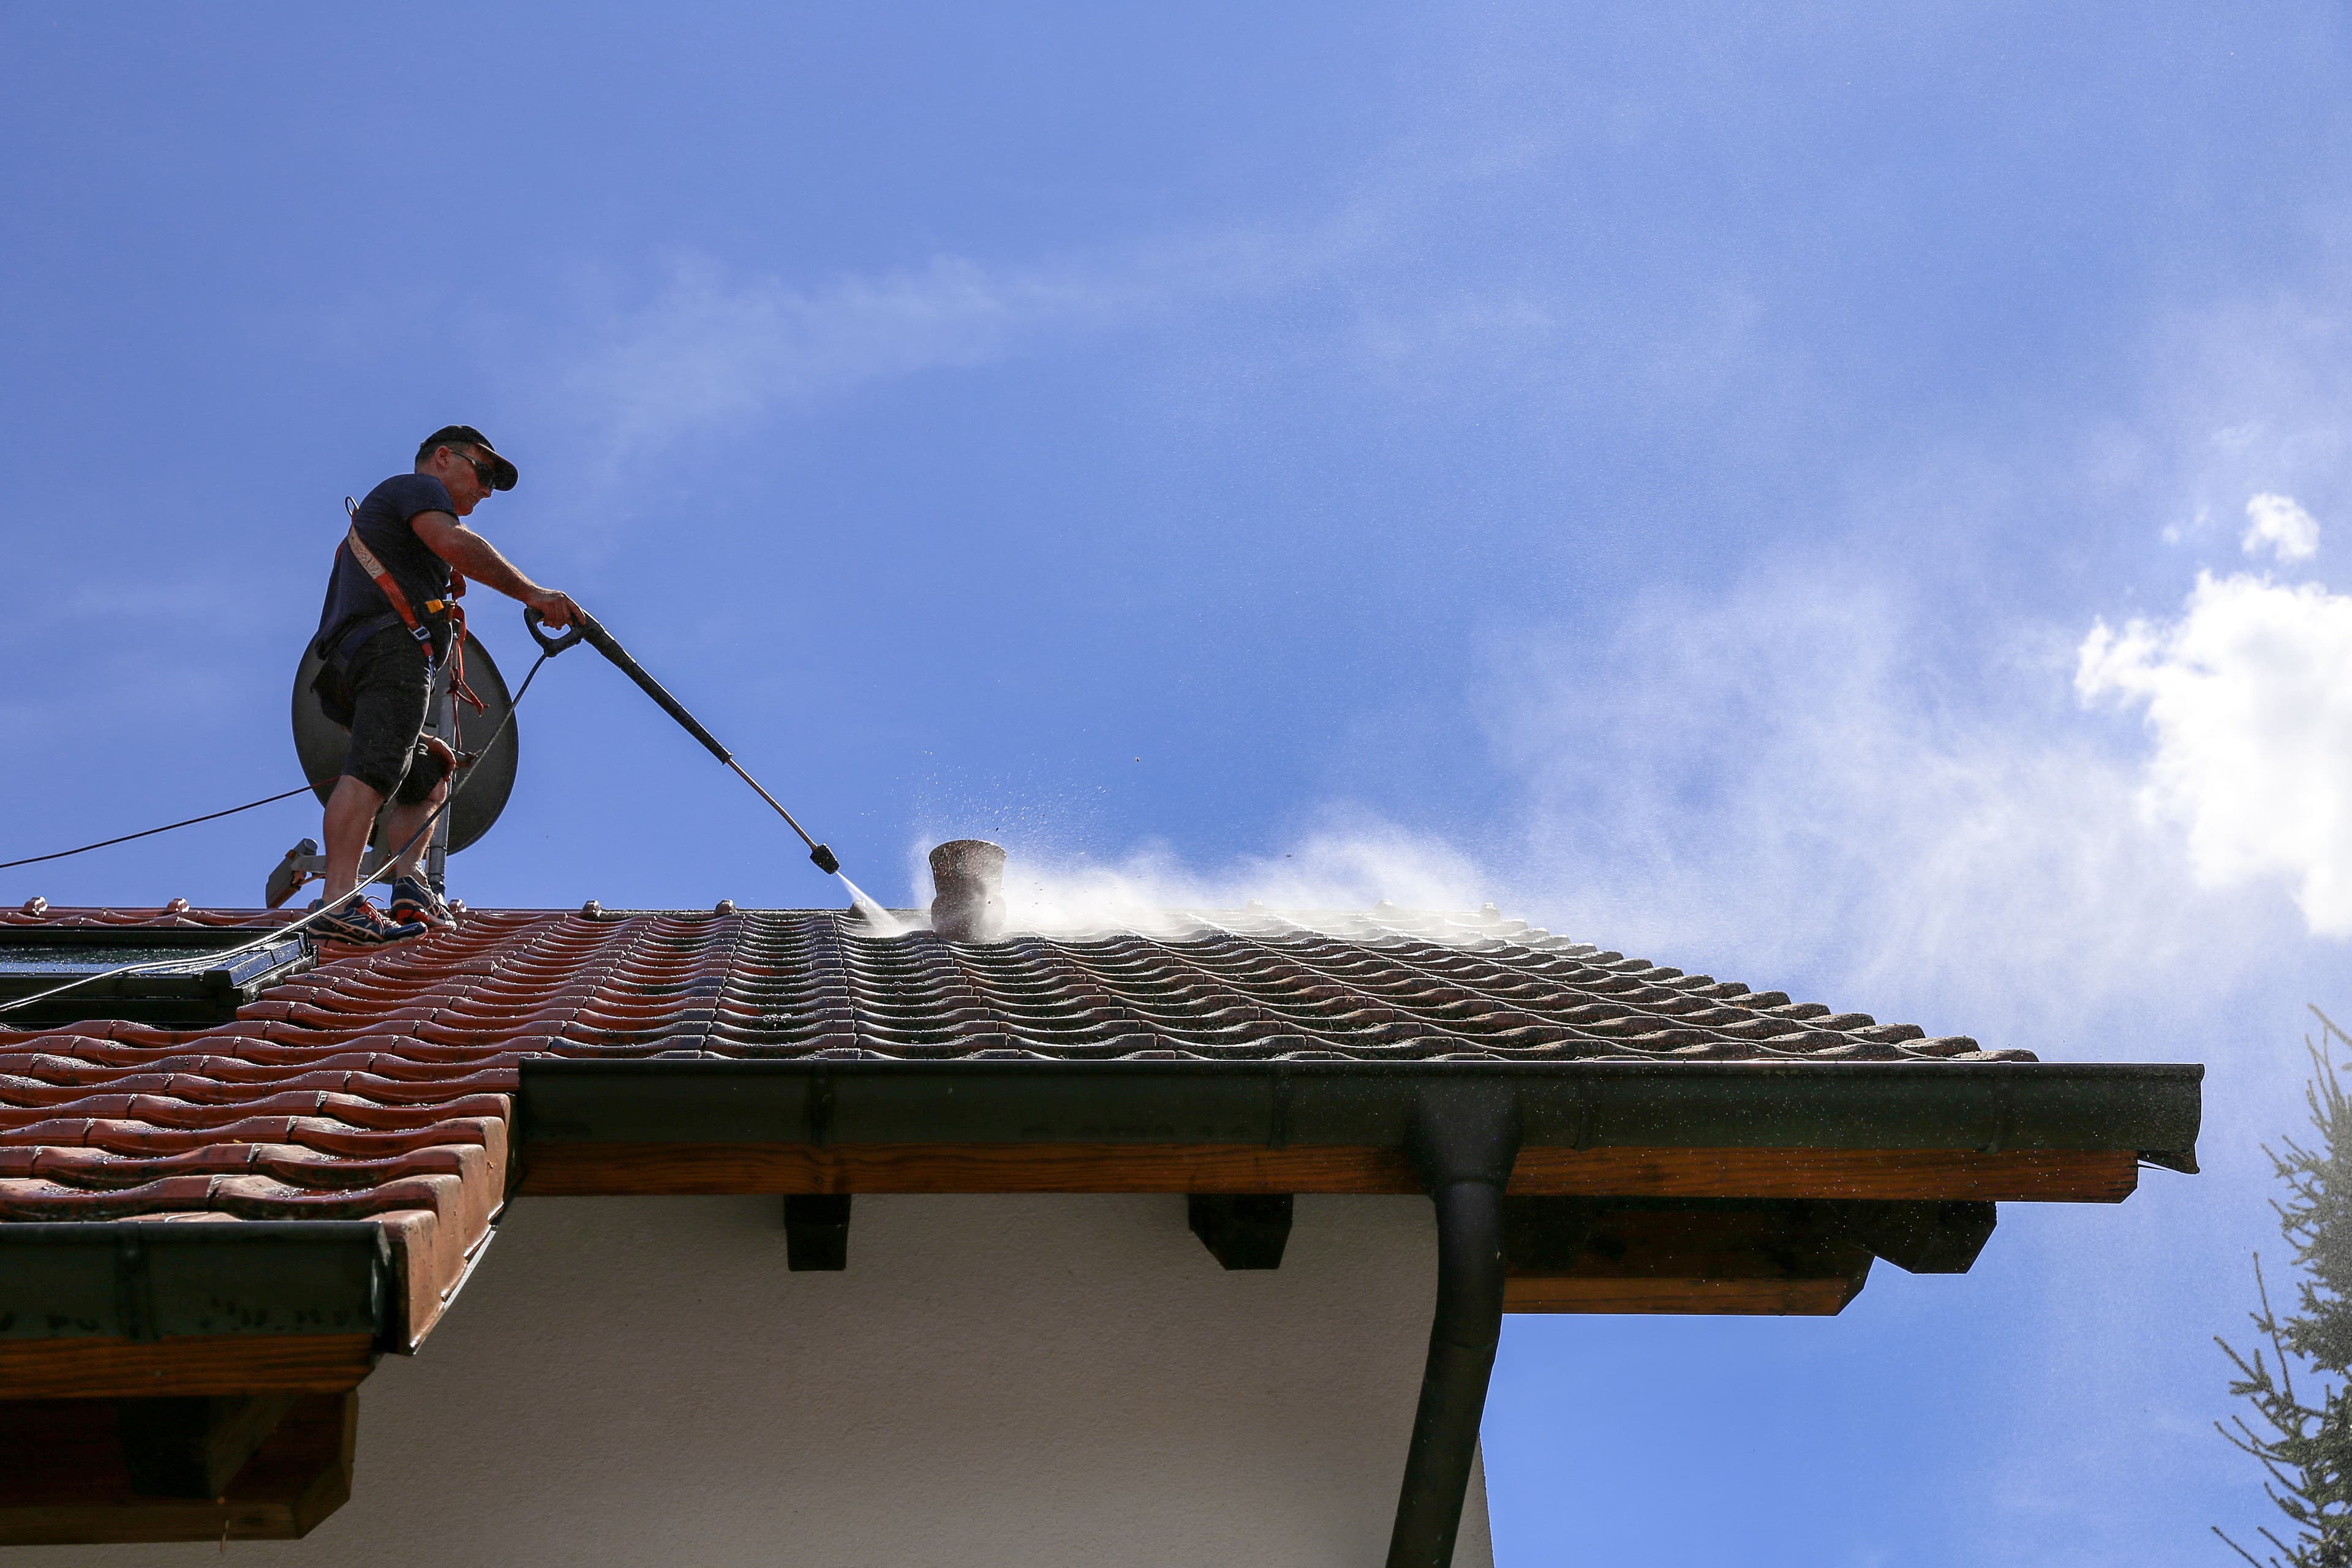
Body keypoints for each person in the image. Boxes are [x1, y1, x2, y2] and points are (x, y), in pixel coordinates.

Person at [307, 426, 581, 943]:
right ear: (442, 458)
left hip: (356, 665)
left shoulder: (394, 523)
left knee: (431, 769)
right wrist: (533, 593)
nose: (486, 491)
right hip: (389, 653)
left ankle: (410, 887)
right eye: (482, 473)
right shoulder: (418, 491)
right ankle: (337, 900)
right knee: (374, 768)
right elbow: (453, 542)